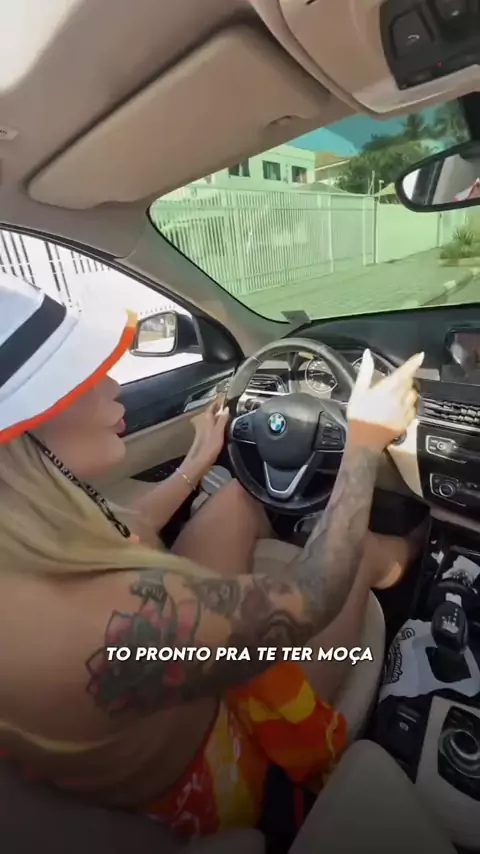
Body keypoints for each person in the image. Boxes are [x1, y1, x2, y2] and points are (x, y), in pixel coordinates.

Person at [0, 274, 424, 839]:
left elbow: (130, 526)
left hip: (158, 714)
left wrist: (196, 461)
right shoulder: (98, 619)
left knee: (235, 499)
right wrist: (364, 443)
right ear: (22, 432)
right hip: (220, 763)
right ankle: (415, 553)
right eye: (82, 377)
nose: (114, 386)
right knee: (360, 550)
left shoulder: (29, 532)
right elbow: (312, 596)